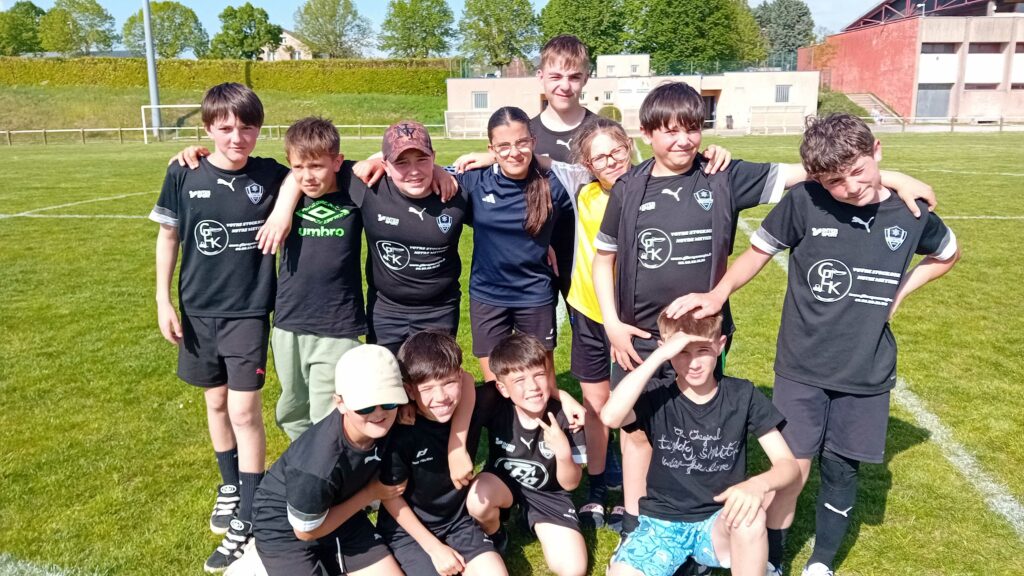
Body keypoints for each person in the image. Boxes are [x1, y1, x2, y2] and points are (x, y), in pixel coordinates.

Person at [591, 81, 937, 544]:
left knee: (693, 427)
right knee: (636, 431)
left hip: (703, 333)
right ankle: (638, 520)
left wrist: (891, 178)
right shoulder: (629, 187)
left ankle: (694, 516)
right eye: (670, 131)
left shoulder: (725, 175)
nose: (684, 140)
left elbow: (814, 171)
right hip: (636, 334)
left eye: (692, 128)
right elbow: (604, 259)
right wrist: (613, 324)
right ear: (647, 133)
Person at [667, 113, 960, 576]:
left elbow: (948, 253)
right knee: (793, 467)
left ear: (877, 151)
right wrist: (718, 294)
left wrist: (900, 292)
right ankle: (773, 559)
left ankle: (821, 561)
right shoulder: (805, 200)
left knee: (842, 468)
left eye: (858, 172)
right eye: (835, 181)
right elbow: (758, 252)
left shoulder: (911, 213)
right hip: (801, 363)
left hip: (865, 369)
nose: (850, 187)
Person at [148, 82, 290, 573]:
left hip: (247, 312)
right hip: (196, 312)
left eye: (247, 128)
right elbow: (168, 236)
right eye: (225, 128)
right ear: (208, 128)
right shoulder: (184, 172)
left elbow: (307, 174)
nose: (237, 137)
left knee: (245, 412)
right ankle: (230, 486)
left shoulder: (269, 174)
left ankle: (248, 517)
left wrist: (283, 207)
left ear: (258, 130)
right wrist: (163, 300)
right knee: (214, 402)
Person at [601, 309, 799, 576]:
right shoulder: (657, 395)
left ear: (720, 345)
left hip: (717, 523)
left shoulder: (742, 395)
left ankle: (710, 562)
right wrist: (658, 357)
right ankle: (685, 563)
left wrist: (757, 484)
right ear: (666, 350)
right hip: (662, 524)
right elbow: (610, 417)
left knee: (751, 518)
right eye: (682, 352)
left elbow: (787, 465)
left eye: (703, 350)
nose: (693, 363)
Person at [250, 345, 408, 576]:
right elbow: (305, 532)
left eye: (389, 401)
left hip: (341, 510)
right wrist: (370, 494)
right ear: (340, 403)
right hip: (284, 528)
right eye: (365, 405)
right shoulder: (318, 465)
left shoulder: (393, 418)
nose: (378, 412)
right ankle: (253, 565)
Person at [457, 107, 573, 383]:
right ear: (491, 148)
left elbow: (590, 176)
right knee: (496, 385)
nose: (514, 152)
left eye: (522, 142)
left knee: (541, 383)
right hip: (487, 296)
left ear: (533, 142)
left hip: (535, 295)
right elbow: (425, 174)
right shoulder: (474, 181)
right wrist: (378, 160)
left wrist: (548, 242)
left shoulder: (554, 185)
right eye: (503, 146)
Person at [377, 331, 507, 576]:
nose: (441, 397)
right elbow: (390, 497)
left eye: (448, 383)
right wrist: (435, 549)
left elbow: (517, 388)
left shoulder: (473, 405)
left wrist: (563, 397)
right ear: (409, 391)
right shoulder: (400, 430)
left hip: (459, 522)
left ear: (459, 377)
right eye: (427, 388)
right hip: (409, 533)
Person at [270, 117, 365, 441]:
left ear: (337, 162)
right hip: (289, 322)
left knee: (328, 412)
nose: (307, 176)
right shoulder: (287, 193)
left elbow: (383, 165)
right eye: (299, 167)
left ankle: (329, 466)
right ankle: (304, 461)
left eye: (317, 166)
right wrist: (284, 206)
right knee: (291, 409)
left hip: (338, 324)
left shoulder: (354, 194)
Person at [465, 334, 589, 576]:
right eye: (519, 380)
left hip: (549, 495)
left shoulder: (566, 415)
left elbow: (571, 483)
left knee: (574, 569)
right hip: (502, 483)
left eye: (539, 375)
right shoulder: (494, 403)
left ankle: (529, 516)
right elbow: (461, 388)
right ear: (502, 388)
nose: (532, 387)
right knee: (476, 501)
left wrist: (563, 453)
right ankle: (496, 534)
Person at [530, 35, 596, 304]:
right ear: (541, 76)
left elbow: (633, 182)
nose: (565, 86)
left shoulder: (603, 131)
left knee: (593, 331)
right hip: (535, 254)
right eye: (556, 76)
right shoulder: (524, 134)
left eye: (574, 77)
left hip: (590, 256)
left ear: (586, 78)